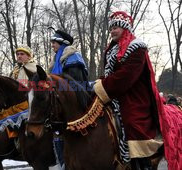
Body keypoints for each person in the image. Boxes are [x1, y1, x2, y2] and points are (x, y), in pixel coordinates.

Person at [93, 11, 163, 169]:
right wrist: (100, 80)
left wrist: (100, 86)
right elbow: (110, 74)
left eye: (116, 27)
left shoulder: (137, 48)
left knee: (132, 121)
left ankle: (142, 163)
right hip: (115, 93)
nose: (112, 31)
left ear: (125, 28)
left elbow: (125, 78)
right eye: (110, 28)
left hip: (134, 97)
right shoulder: (111, 49)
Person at [48, 30, 89, 167]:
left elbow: (76, 85)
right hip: (59, 106)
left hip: (75, 105)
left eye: (54, 42)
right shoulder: (56, 60)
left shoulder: (73, 58)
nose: (52, 45)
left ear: (62, 43)